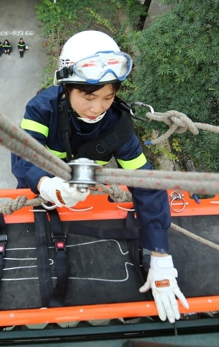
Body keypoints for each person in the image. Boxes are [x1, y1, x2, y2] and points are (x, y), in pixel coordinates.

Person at [11, 30, 188, 323]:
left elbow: (145, 183)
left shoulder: (118, 125)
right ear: (66, 88)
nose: (97, 108)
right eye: (89, 96)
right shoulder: (42, 109)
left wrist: (160, 254)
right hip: (40, 195)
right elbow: (23, 153)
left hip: (86, 201)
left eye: (109, 96)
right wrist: (47, 185)